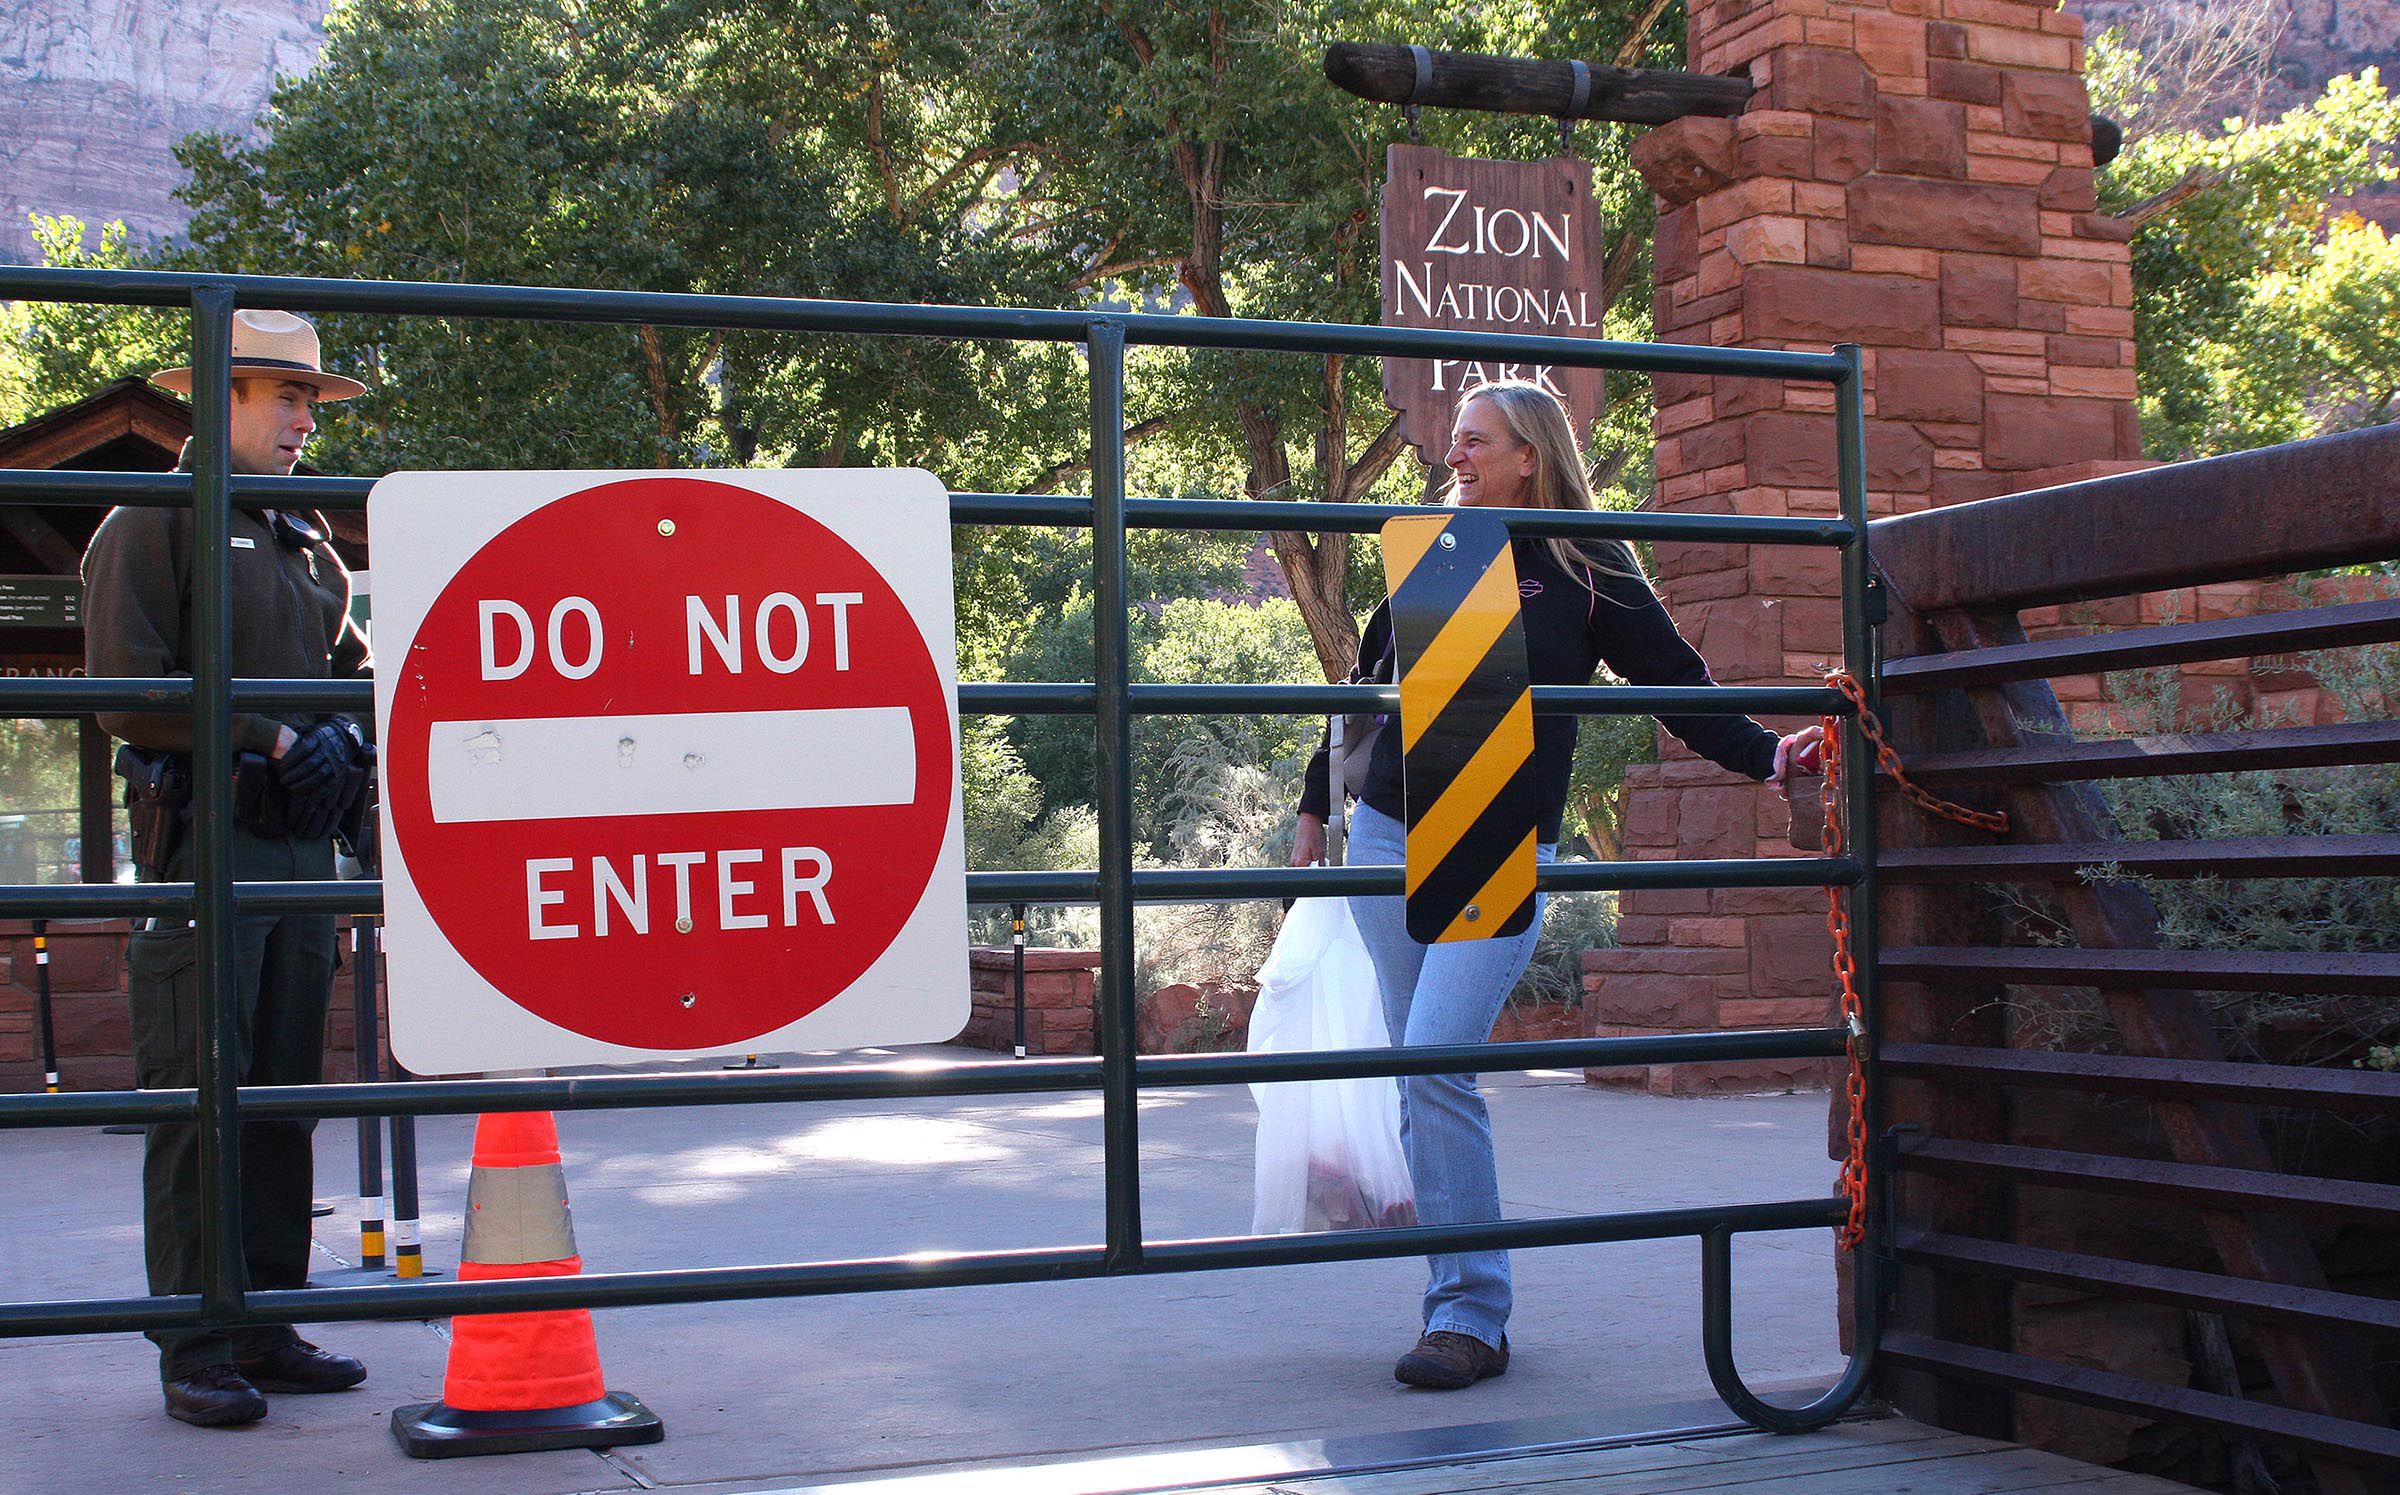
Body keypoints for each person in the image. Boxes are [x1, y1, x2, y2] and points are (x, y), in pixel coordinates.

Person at [1290, 379, 1821, 1391]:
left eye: (1473, 442)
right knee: (1419, 1071)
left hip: (1492, 846)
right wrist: (1316, 806)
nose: (1455, 456)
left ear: (1528, 455)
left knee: (1439, 1058)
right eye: (1452, 442)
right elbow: (1363, 690)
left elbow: (1677, 682)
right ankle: (1454, 1293)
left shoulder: (1587, 564)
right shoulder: (1431, 551)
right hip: (1387, 832)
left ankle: (1469, 1317)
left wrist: (1764, 760)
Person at [82, 309, 375, 1427]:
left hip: (299, 854)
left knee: (281, 1099)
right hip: (207, 848)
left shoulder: (308, 541)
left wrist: (346, 735)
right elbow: (124, 693)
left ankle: (261, 1317)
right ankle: (197, 1340)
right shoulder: (154, 521)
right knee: (200, 1097)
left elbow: (353, 673)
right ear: (224, 397)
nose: (306, 419)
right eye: (285, 397)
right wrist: (272, 738)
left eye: (311, 400)